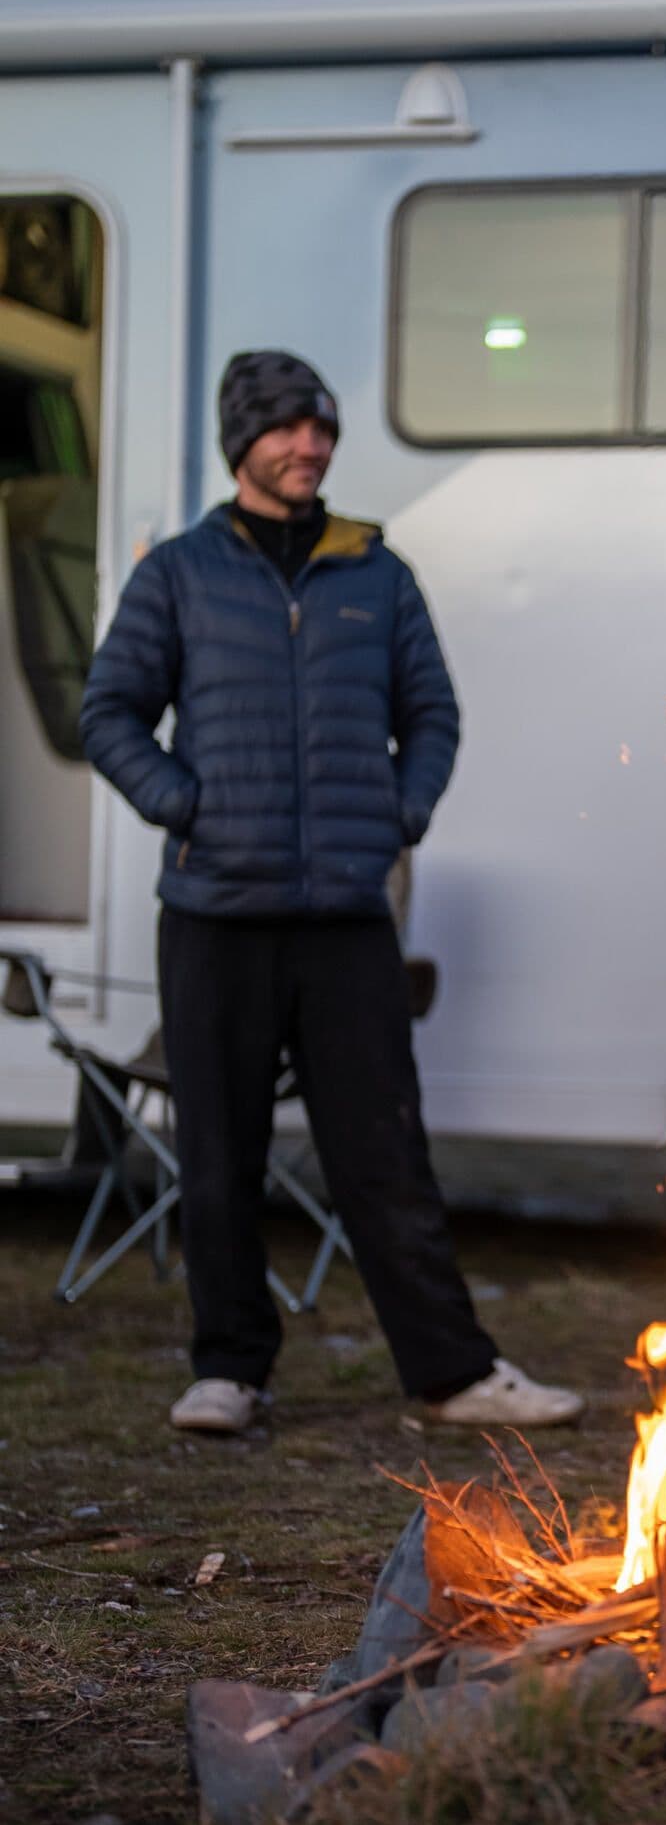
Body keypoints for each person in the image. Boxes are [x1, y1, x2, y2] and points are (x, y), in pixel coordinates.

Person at [79, 349, 583, 1438]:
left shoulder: (376, 576)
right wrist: (182, 801)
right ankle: (229, 1369)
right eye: (286, 430)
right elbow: (109, 711)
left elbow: (434, 715)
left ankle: (454, 1374)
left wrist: (398, 815)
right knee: (219, 1152)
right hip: (215, 910)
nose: (308, 447)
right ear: (242, 444)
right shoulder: (178, 573)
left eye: (321, 431)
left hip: (349, 918)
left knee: (385, 1154)